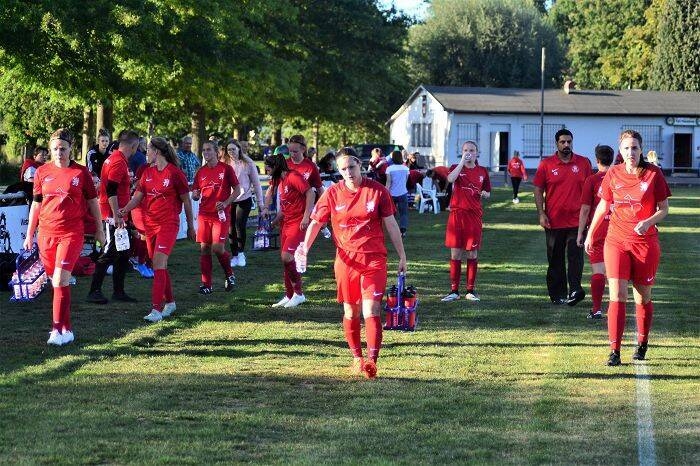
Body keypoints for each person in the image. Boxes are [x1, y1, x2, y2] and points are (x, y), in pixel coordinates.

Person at [296, 147, 407, 378]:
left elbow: (391, 224)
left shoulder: (377, 191)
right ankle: (357, 358)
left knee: (371, 309)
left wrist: (402, 255)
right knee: (351, 311)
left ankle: (372, 361)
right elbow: (316, 223)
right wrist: (304, 248)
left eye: (352, 167)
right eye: (343, 169)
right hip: (346, 261)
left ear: (360, 165)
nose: (348, 172)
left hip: (374, 259)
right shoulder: (332, 193)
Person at [585, 130, 670, 366]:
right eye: (626, 148)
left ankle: (642, 343)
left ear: (641, 150)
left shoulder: (653, 174)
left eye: (634, 148)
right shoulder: (613, 173)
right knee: (617, 295)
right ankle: (614, 351)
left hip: (644, 243)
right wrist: (591, 233)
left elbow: (664, 209)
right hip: (616, 241)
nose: (630, 152)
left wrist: (648, 221)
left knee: (642, 297)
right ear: (620, 151)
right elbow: (603, 206)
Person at [23, 128, 104, 345]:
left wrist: (99, 229)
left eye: (63, 148)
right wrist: (30, 234)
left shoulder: (81, 173)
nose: (59, 153)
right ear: (50, 150)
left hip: (71, 233)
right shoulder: (41, 172)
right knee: (58, 282)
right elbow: (36, 205)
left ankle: (56, 330)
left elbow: (93, 203)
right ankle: (67, 330)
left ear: (71, 149)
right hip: (46, 234)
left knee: (60, 279)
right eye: (55, 149)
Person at [119, 137, 196, 323]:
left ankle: (156, 309)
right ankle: (170, 302)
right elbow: (137, 197)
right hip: (150, 224)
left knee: (159, 263)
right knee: (158, 265)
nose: (146, 153)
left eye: (148, 150)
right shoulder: (147, 172)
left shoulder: (175, 173)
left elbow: (186, 201)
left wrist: (191, 227)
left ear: (157, 152)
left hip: (168, 224)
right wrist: (124, 210)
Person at [533, 129, 592, 305]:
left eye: (569, 142)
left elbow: (591, 190)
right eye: (563, 142)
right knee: (555, 259)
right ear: (556, 144)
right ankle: (557, 294)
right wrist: (541, 213)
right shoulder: (546, 164)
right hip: (554, 221)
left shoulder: (583, 163)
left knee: (576, 258)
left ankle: (575, 290)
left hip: (577, 221)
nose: (566, 145)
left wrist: (590, 216)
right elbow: (538, 189)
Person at [86, 130, 140, 304]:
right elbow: (111, 190)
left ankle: (119, 291)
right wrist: (116, 215)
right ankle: (94, 291)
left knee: (123, 252)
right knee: (109, 251)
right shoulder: (118, 162)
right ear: (133, 146)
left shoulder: (115, 159)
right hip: (112, 215)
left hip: (117, 214)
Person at [440, 141, 491, 302]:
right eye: (465, 150)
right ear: (462, 152)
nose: (469, 152)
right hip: (457, 215)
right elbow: (450, 178)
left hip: (474, 216)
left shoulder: (482, 171)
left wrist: (485, 194)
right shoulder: (456, 167)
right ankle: (454, 291)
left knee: (472, 252)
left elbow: (488, 191)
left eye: (472, 150)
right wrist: (462, 161)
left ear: (477, 152)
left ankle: (470, 290)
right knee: (455, 253)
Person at [266, 153, 314, 308]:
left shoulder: (293, 177)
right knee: (285, 259)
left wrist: (306, 217)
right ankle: (289, 294)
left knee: (287, 257)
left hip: (298, 223)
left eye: (268, 169)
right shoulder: (281, 181)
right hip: (286, 224)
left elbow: (310, 193)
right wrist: (274, 221)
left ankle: (299, 294)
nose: (267, 172)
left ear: (275, 167)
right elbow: (286, 207)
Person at [191, 140, 239, 293]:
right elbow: (195, 193)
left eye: (209, 150)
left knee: (217, 248)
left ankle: (229, 274)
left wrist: (225, 203)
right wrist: (195, 195)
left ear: (216, 152)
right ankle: (207, 285)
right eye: (204, 150)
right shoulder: (200, 171)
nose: (206, 153)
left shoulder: (226, 169)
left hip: (220, 215)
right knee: (204, 248)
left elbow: (237, 190)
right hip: (204, 214)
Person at [576, 145, 614, 320]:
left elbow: (585, 209)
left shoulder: (591, 180)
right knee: (615, 272)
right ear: (612, 159)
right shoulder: (619, 178)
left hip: (598, 228)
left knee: (598, 270)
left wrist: (580, 233)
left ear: (597, 160)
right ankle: (615, 308)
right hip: (618, 229)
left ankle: (597, 309)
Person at [222, 138, 265, 268]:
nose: (231, 152)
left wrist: (261, 203)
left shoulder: (248, 163)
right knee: (230, 227)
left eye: (233, 149)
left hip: (244, 199)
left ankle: (241, 254)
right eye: (229, 150)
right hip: (229, 200)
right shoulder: (224, 162)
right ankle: (234, 255)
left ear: (239, 149)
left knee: (239, 226)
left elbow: (256, 184)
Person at [385, 150, 410, 237]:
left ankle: (393, 230)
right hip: (403, 193)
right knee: (403, 213)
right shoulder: (406, 168)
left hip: (392, 194)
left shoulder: (389, 169)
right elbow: (405, 181)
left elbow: (388, 182)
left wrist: (385, 192)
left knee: (392, 214)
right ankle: (403, 231)